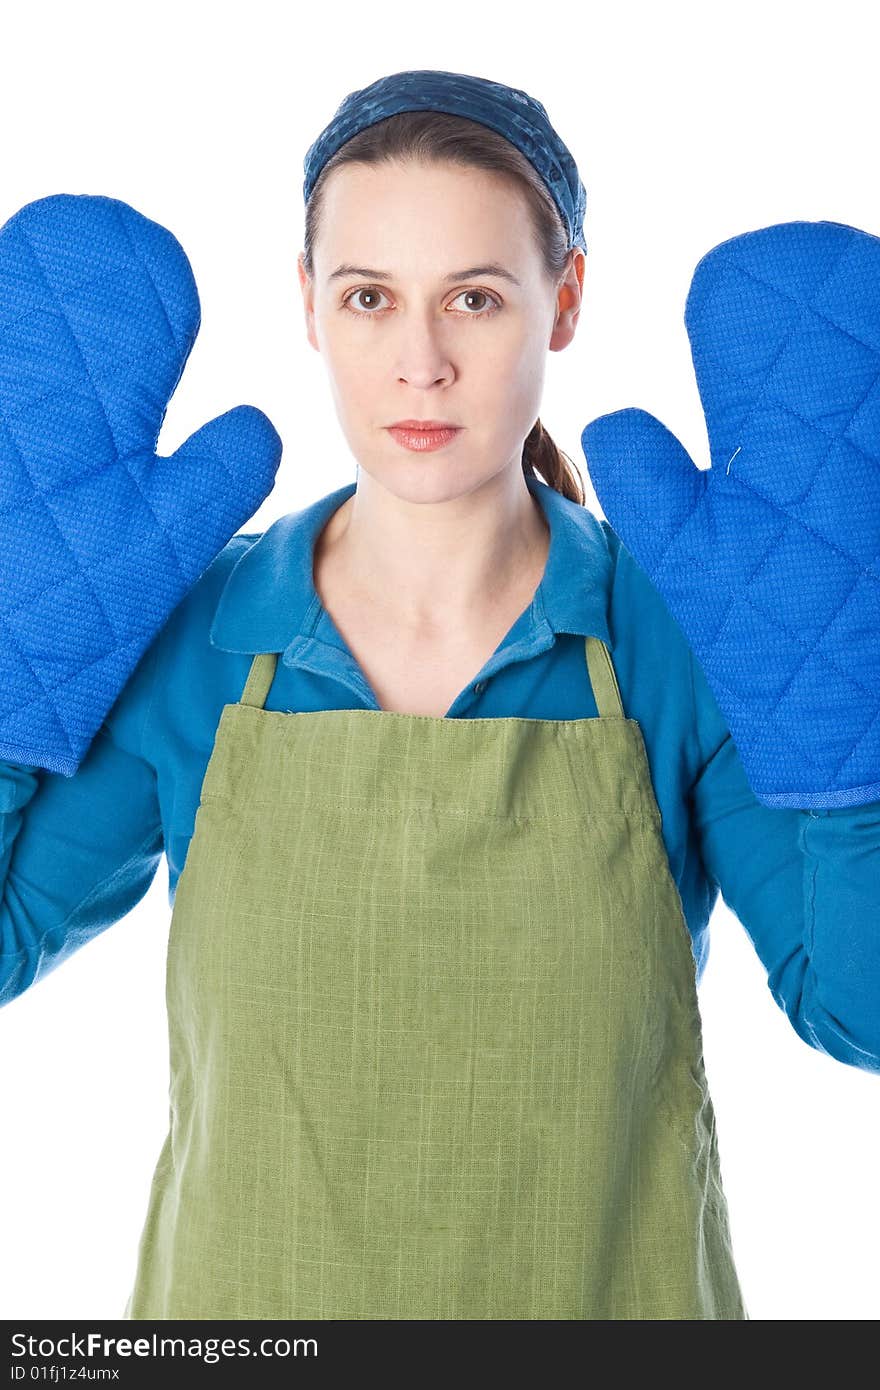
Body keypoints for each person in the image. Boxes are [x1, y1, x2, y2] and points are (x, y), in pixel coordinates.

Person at [2, 68, 878, 1321]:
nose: (420, 364)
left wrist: (854, 729)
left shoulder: (675, 634)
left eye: (474, 296)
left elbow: (858, 1008)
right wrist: (11, 671)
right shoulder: (199, 636)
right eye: (369, 298)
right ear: (308, 304)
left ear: (563, 298)